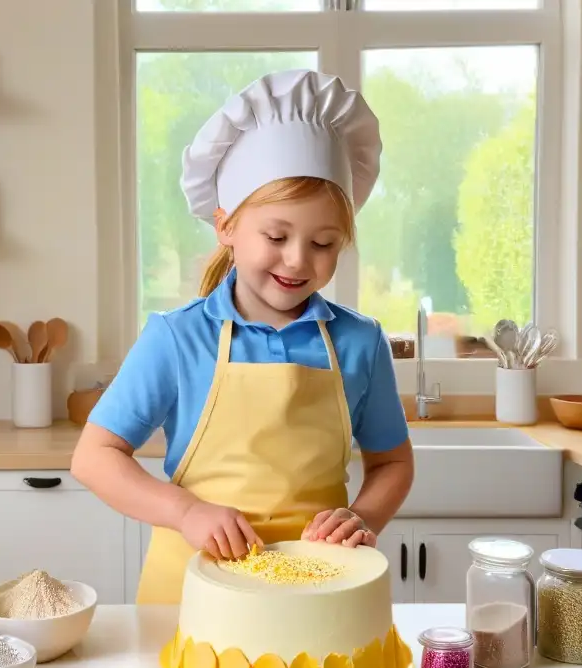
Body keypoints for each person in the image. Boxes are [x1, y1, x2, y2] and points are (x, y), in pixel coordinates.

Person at [71, 69, 413, 604]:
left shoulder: (359, 342)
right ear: (226, 226)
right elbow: (94, 457)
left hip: (318, 599)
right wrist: (184, 511)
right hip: (188, 599)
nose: (298, 260)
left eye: (324, 243)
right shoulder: (176, 338)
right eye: (276, 235)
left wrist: (361, 517)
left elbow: (392, 463)